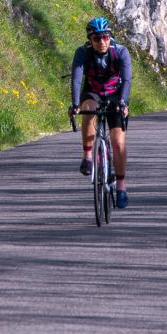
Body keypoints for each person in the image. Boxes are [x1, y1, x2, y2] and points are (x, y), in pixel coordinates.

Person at [69, 16, 132, 209]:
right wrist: (75, 104)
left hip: (115, 94)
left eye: (105, 37)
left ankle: (121, 187)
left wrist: (122, 102)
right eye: (96, 38)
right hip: (93, 91)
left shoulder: (120, 52)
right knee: (89, 109)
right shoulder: (83, 53)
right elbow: (77, 79)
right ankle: (88, 156)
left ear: (110, 37)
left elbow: (127, 80)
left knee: (118, 143)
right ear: (90, 39)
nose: (102, 42)